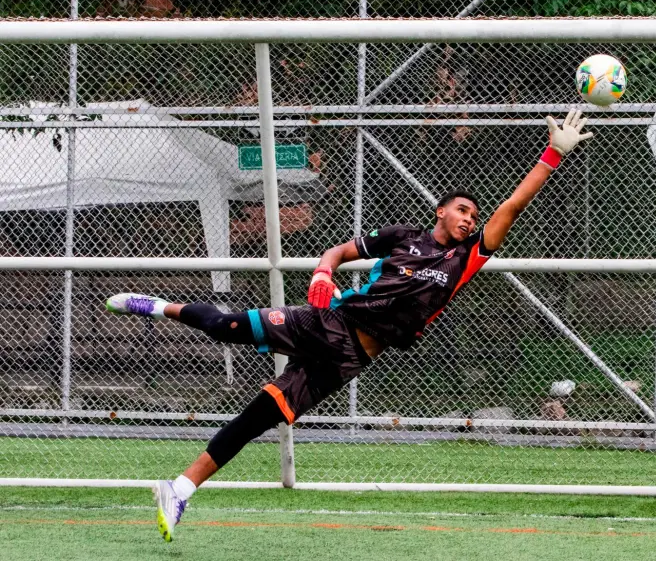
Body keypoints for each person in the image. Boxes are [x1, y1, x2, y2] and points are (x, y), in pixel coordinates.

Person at [105, 110, 593, 542]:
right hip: (330, 321)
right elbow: (338, 251)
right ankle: (158, 306)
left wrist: (553, 154)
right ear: (440, 211)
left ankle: (179, 488)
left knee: (259, 419)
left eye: (474, 215)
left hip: (351, 357)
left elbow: (514, 207)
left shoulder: (465, 259)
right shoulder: (404, 237)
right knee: (225, 327)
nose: (471, 219)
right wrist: (323, 270)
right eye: (462, 210)